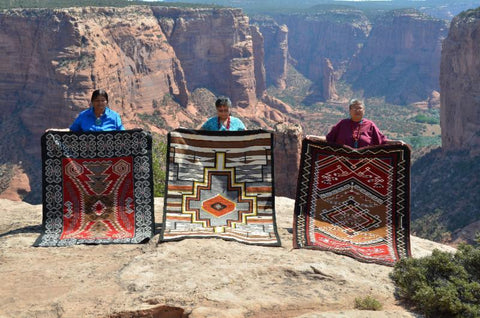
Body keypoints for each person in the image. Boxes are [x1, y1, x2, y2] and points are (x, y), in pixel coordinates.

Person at [308, 99, 403, 148]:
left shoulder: (370, 125)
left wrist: (397, 142)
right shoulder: (342, 124)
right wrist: (313, 137)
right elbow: (329, 139)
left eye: (360, 108)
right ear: (349, 110)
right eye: (354, 108)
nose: (357, 110)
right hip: (342, 167)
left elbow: (382, 141)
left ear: (364, 111)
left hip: (365, 167)